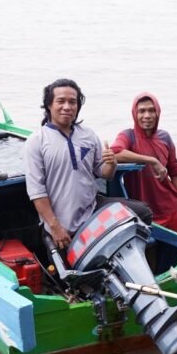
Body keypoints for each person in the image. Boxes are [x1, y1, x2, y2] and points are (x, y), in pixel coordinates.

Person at [24, 79, 152, 250]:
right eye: (61, 101)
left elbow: (104, 173)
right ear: (49, 105)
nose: (67, 107)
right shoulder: (36, 141)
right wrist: (55, 227)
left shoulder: (88, 135)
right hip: (61, 222)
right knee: (68, 266)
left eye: (72, 102)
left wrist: (111, 163)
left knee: (143, 212)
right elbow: (37, 192)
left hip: (93, 210)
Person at [110, 92, 177, 235]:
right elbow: (115, 153)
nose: (147, 115)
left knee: (174, 248)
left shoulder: (165, 138)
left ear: (158, 113)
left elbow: (176, 174)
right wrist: (151, 160)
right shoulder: (128, 136)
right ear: (135, 114)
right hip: (143, 214)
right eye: (142, 111)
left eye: (151, 110)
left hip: (171, 210)